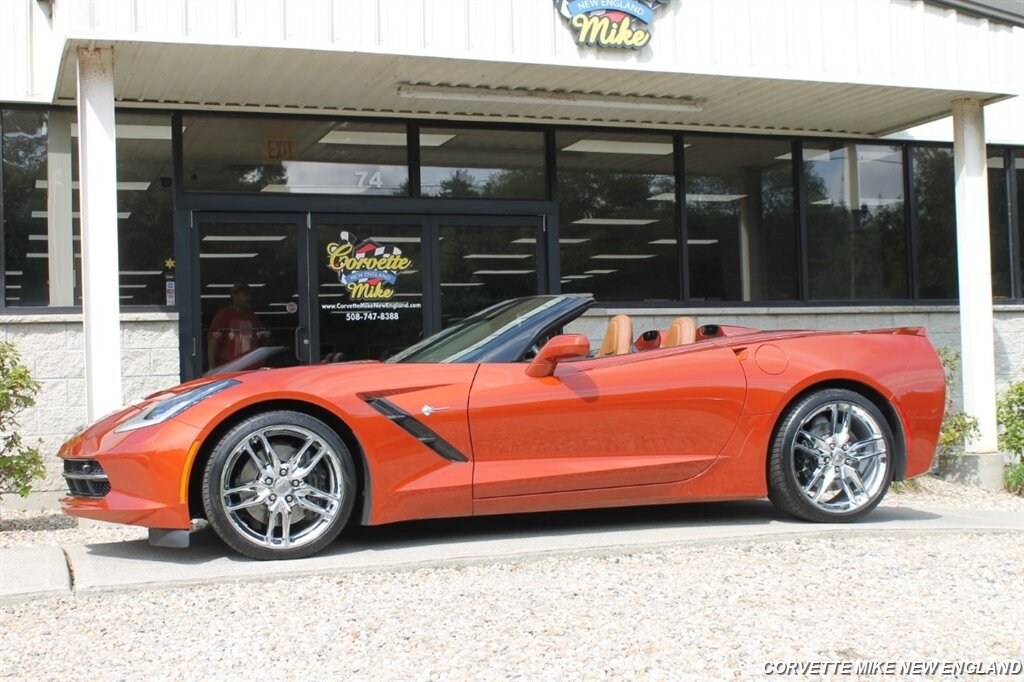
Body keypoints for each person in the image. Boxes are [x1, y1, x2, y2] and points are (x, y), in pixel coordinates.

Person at [207, 283, 269, 371]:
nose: (249, 298)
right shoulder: (224, 315)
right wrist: (212, 368)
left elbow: (264, 337)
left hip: (252, 369)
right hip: (230, 369)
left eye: (250, 295)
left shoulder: (252, 316)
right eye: (245, 295)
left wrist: (261, 361)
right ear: (234, 296)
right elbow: (213, 341)